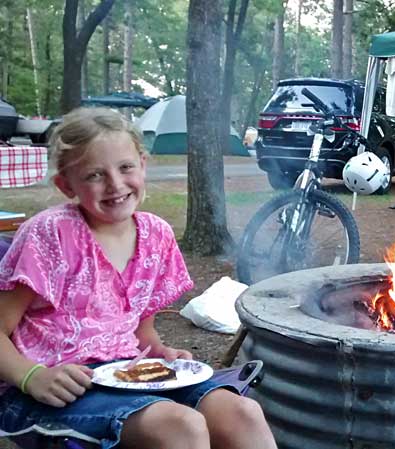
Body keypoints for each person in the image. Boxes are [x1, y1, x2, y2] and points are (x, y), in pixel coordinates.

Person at [0, 108, 278, 449]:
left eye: (125, 167)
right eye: (94, 175)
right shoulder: (50, 234)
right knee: (181, 427)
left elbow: (140, 332)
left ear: (142, 165)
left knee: (242, 413)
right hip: (50, 389)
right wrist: (33, 377)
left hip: (127, 375)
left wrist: (163, 354)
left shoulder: (156, 235)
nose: (115, 185)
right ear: (65, 184)